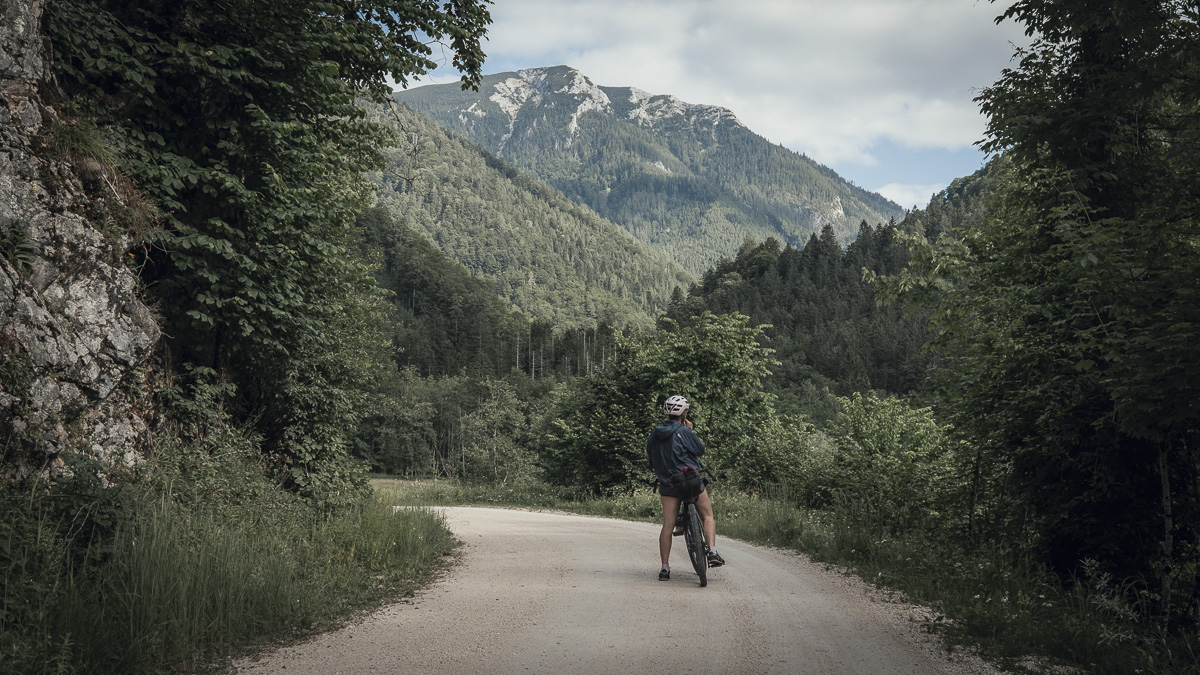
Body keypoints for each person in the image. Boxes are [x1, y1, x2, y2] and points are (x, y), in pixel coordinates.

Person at [646, 395, 724, 581]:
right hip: (690, 480)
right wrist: (689, 431)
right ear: (684, 413)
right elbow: (699, 450)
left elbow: (651, 459)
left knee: (668, 525)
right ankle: (712, 551)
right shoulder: (684, 431)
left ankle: (665, 568)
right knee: (708, 515)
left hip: (669, 483)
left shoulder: (654, 435)